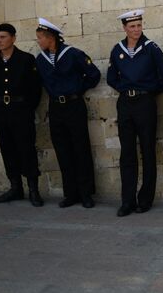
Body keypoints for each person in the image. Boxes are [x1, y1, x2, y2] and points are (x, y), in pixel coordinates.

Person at [107, 9, 163, 217]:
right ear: (125, 28)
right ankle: (127, 201)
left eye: (139, 25)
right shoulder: (117, 49)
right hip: (125, 103)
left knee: (147, 150)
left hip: (145, 102)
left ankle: (145, 199)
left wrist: (149, 89)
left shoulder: (151, 48)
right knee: (127, 153)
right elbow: (111, 78)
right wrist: (127, 89)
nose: (136, 30)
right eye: (132, 26)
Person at [35, 18, 100, 209]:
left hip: (74, 105)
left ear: (50, 37)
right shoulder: (41, 59)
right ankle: (70, 193)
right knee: (62, 151)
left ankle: (86, 193)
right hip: (56, 108)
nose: (38, 42)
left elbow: (93, 75)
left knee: (81, 149)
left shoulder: (73, 54)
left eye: (40, 38)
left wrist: (78, 90)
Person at [0, 23, 44, 207]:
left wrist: (27, 107)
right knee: (8, 148)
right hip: (2, 111)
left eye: (3, 37)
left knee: (26, 149)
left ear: (13, 38)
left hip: (21, 111)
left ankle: (33, 189)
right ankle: (15, 187)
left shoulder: (26, 59)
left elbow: (35, 88)